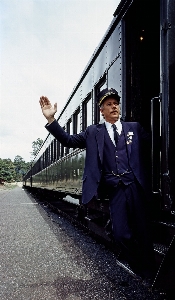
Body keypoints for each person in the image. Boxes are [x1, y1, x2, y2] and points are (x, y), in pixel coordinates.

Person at [39, 88, 156, 282]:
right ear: (101, 110)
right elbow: (68, 140)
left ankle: (150, 274)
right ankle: (137, 265)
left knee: (144, 233)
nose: (114, 107)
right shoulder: (93, 132)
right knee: (120, 235)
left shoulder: (134, 128)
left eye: (116, 103)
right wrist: (51, 120)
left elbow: (155, 144)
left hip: (135, 186)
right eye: (109, 104)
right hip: (115, 190)